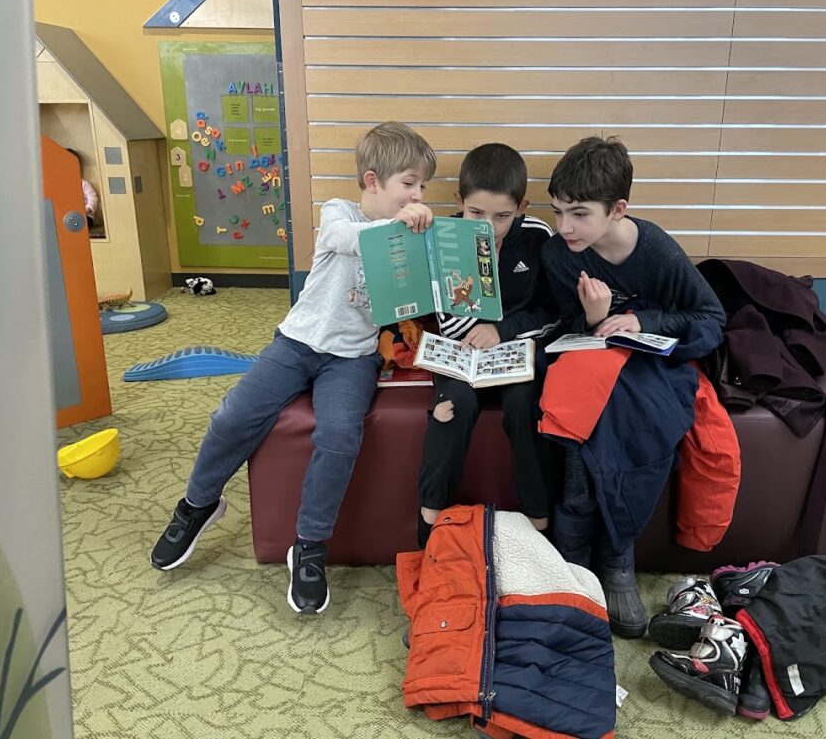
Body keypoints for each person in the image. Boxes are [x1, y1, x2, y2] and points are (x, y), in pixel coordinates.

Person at [150, 122, 437, 616]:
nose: (417, 195)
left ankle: (309, 545)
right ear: (373, 181)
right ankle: (198, 504)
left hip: (352, 358)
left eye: (422, 187)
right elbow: (350, 241)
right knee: (232, 417)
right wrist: (400, 227)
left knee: (340, 435)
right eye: (409, 183)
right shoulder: (338, 214)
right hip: (296, 343)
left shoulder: (406, 236)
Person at [540, 136, 726, 637]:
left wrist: (638, 318)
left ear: (617, 208)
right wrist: (592, 317)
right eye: (558, 212)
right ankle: (573, 560)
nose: (565, 227)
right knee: (578, 418)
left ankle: (617, 558)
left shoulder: (657, 250)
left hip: (650, 368)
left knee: (639, 422)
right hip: (588, 363)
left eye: (579, 214)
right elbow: (562, 324)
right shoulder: (560, 255)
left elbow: (710, 319)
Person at [416, 143, 560, 547]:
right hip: (462, 356)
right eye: (476, 213)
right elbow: (448, 318)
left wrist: (503, 329)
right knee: (452, 408)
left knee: (525, 407)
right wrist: (475, 334)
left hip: (516, 355)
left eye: (502, 216)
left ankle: (540, 529)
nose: (489, 225)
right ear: (460, 202)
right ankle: (428, 527)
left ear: (521, 207)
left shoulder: (537, 237)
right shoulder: (443, 236)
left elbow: (552, 312)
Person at [65, 148, 100, 235]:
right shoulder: (61, 185)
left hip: (85, 216)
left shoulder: (84, 184)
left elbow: (92, 198)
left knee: (77, 224)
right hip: (67, 216)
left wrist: (88, 209)